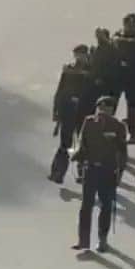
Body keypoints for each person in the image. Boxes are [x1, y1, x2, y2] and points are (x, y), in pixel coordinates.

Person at [70, 96, 128, 253]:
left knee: (106, 206)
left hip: (108, 171)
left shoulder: (118, 126)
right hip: (91, 170)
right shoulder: (88, 122)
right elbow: (83, 146)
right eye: (100, 107)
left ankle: (103, 239)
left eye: (106, 108)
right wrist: (77, 157)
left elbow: (122, 152)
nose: (102, 110)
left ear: (111, 110)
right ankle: (83, 241)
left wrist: (119, 173)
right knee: (86, 206)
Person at [49, 45, 95, 184]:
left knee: (84, 145)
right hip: (68, 112)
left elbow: (94, 89)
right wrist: (56, 111)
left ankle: (84, 174)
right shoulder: (69, 70)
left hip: (84, 113)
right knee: (65, 144)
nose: (78, 57)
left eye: (81, 54)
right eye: (77, 55)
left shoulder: (91, 71)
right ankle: (58, 173)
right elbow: (60, 91)